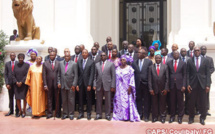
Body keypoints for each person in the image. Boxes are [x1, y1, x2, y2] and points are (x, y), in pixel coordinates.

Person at [187, 47, 210, 125]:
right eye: (195, 50)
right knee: (191, 102)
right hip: (192, 85)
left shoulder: (205, 61)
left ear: (200, 51)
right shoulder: (189, 60)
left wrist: (207, 85)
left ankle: (202, 118)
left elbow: (208, 74)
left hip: (202, 84)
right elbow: (187, 74)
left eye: (198, 50)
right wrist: (188, 84)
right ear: (193, 52)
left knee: (203, 102)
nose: (196, 51)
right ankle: (191, 118)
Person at [112, 55, 140, 122]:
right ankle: (120, 116)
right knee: (119, 102)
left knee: (126, 103)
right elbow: (115, 78)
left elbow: (132, 78)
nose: (122, 61)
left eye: (124, 60)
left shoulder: (130, 68)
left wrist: (130, 87)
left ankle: (127, 116)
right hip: (119, 88)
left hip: (127, 88)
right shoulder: (118, 68)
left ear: (126, 60)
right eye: (121, 60)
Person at [93, 52, 116, 121]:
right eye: (101, 55)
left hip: (107, 85)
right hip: (99, 85)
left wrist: (112, 85)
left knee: (108, 101)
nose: (102, 56)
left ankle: (108, 115)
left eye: (104, 55)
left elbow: (113, 76)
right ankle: (98, 114)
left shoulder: (111, 64)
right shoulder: (97, 64)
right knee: (98, 100)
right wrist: (94, 84)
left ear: (106, 56)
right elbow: (95, 76)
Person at [132, 49, 153, 122]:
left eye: (140, 53)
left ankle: (146, 116)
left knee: (147, 101)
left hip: (146, 84)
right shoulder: (134, 62)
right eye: (137, 52)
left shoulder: (149, 62)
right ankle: (140, 115)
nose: (138, 54)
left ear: (144, 54)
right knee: (138, 100)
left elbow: (150, 74)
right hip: (137, 84)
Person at [167, 51, 186, 124]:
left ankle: (180, 117)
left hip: (180, 86)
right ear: (172, 55)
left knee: (180, 102)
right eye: (174, 54)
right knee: (172, 102)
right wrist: (167, 86)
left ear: (179, 55)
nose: (175, 55)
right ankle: (172, 116)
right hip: (171, 86)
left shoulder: (183, 63)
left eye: (177, 54)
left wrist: (184, 85)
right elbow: (167, 75)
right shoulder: (169, 63)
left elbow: (184, 75)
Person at [148, 54, 169, 123]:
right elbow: (149, 79)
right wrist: (150, 89)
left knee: (163, 104)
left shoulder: (165, 67)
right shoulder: (151, 67)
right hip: (154, 89)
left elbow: (167, 79)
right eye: (156, 58)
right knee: (154, 104)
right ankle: (155, 117)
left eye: (159, 58)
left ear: (161, 59)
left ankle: (162, 117)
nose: (158, 59)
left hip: (163, 89)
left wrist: (166, 88)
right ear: (154, 59)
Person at [58, 53, 78, 120]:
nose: (66, 57)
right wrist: (59, 82)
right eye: (65, 56)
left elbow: (76, 75)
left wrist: (74, 85)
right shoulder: (60, 63)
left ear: (70, 57)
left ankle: (71, 114)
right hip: (63, 85)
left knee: (71, 100)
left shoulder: (74, 64)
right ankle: (65, 113)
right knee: (64, 100)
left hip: (70, 85)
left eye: (68, 56)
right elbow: (58, 75)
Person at [76, 49, 95, 120]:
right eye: (83, 53)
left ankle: (88, 113)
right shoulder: (79, 61)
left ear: (87, 54)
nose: (84, 54)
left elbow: (92, 74)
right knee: (80, 99)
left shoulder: (91, 62)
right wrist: (77, 84)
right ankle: (81, 113)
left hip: (88, 84)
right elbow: (77, 74)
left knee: (88, 99)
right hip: (80, 84)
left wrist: (90, 84)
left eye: (85, 53)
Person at [42, 51, 61, 119]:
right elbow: (44, 75)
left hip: (56, 84)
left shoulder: (58, 63)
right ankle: (49, 113)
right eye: (50, 55)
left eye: (53, 55)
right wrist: (45, 84)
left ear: (55, 55)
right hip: (48, 84)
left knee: (57, 99)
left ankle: (58, 113)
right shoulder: (45, 63)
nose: (52, 56)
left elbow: (59, 74)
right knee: (49, 99)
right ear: (49, 56)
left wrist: (59, 82)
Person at [12, 53, 30, 118]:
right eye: (19, 57)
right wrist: (16, 82)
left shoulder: (27, 65)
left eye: (22, 57)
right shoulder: (16, 65)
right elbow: (13, 74)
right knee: (17, 98)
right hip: (16, 85)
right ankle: (20, 111)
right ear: (18, 58)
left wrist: (21, 82)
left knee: (24, 98)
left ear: (24, 58)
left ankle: (24, 111)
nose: (20, 58)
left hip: (24, 84)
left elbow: (27, 74)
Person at [200, 45, 214, 116]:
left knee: (206, 95)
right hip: (199, 80)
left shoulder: (210, 59)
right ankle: (199, 109)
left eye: (204, 49)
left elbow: (212, 68)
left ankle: (206, 110)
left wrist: (206, 74)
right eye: (202, 49)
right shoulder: (198, 58)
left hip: (207, 80)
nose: (203, 50)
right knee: (199, 95)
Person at [4, 52, 19, 117]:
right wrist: (7, 83)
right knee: (10, 97)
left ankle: (17, 111)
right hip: (10, 84)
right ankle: (11, 110)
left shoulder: (18, 63)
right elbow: (5, 74)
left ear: (15, 56)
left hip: (16, 83)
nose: (12, 56)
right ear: (10, 57)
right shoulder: (7, 64)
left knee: (17, 98)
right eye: (11, 55)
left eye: (13, 55)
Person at [180, 48, 190, 115]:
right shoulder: (178, 59)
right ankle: (180, 110)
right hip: (180, 81)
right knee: (180, 97)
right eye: (182, 51)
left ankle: (187, 109)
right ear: (180, 52)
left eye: (184, 51)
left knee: (188, 96)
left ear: (186, 52)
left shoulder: (189, 59)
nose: (183, 52)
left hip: (188, 80)